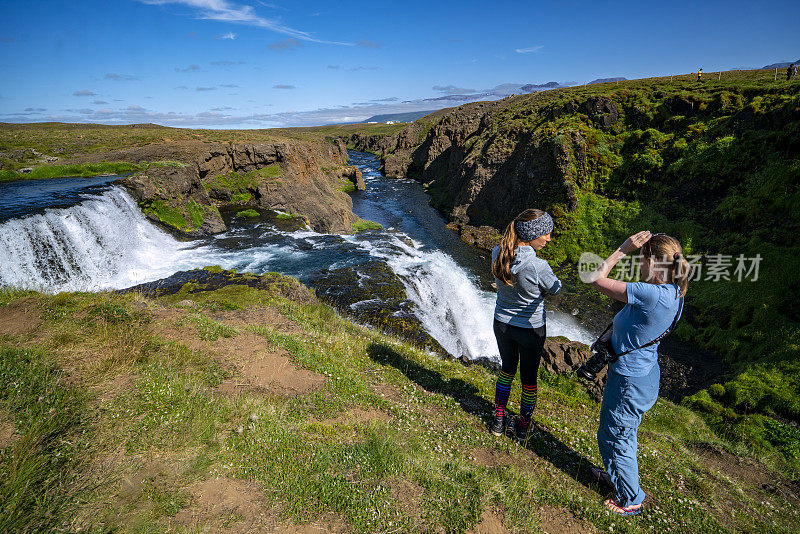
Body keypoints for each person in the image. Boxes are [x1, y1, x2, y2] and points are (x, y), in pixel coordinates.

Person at [582, 231, 689, 516]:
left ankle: (630, 499)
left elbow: (592, 278)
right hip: (645, 373)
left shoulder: (648, 293)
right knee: (624, 433)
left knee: (615, 435)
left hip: (630, 379)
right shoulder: (675, 292)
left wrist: (622, 249)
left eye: (641, 259)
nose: (638, 264)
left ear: (653, 262)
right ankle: (620, 479)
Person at [490, 209, 562, 440]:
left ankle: (498, 421)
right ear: (532, 235)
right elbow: (556, 288)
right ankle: (522, 427)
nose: (549, 239)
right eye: (546, 234)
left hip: (502, 323)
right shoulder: (538, 266)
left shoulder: (496, 253)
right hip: (530, 328)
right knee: (528, 379)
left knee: (507, 370)